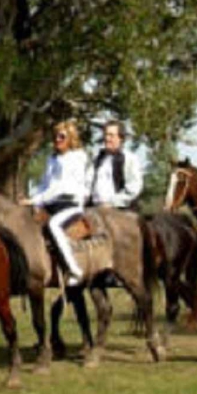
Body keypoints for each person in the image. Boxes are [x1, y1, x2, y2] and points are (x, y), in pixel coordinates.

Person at [26, 120, 90, 288]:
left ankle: (74, 269)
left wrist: (36, 200)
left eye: (62, 137)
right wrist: (32, 198)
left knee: (54, 225)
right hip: (51, 204)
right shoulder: (52, 159)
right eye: (55, 137)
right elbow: (44, 184)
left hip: (70, 204)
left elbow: (60, 188)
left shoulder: (77, 157)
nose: (57, 140)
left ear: (71, 139)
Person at [89, 120, 143, 208]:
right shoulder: (97, 159)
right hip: (94, 209)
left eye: (111, 135)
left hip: (118, 211)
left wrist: (113, 202)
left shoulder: (130, 159)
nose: (107, 138)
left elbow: (134, 187)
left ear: (120, 138)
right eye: (106, 134)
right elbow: (88, 184)